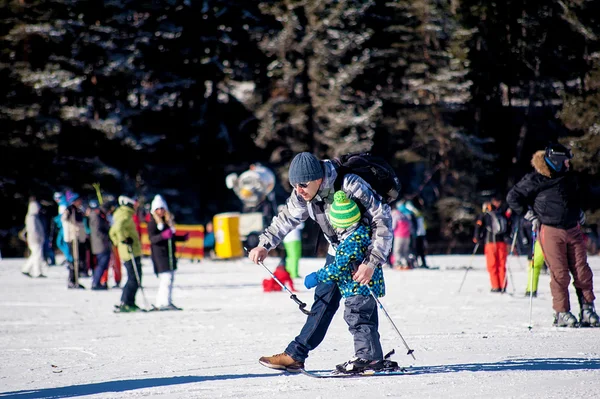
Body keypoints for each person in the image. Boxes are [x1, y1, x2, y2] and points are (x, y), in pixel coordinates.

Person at [248, 151, 392, 372]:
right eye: (294, 185)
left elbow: (382, 219)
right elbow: (287, 217)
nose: (299, 190)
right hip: (338, 252)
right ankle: (296, 355)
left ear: (318, 179)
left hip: (361, 253)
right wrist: (264, 244)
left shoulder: (350, 184)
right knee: (323, 302)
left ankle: (369, 357)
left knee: (359, 306)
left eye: (303, 184)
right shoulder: (302, 193)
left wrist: (371, 262)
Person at [506, 143, 599, 327]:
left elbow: (581, 196)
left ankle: (588, 309)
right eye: (565, 161)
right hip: (550, 231)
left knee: (582, 271)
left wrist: (579, 211)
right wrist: (529, 215)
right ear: (556, 160)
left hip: (573, 229)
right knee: (560, 273)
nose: (568, 164)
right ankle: (561, 312)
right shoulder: (536, 179)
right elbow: (513, 197)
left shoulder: (570, 178)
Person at [304, 191, 394, 373]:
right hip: (366, 289)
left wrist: (316, 277)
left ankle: (365, 356)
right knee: (366, 322)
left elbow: (337, 268)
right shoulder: (363, 233)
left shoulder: (349, 243)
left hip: (356, 290)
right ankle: (373, 356)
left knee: (357, 320)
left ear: (339, 223)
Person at [147, 194, 188, 310]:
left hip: (169, 254)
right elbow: (152, 239)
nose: (160, 211)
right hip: (160, 255)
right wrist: (163, 236)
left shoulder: (167, 222)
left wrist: (181, 238)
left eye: (162, 208)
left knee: (169, 278)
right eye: (157, 209)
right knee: (166, 278)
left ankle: (164, 301)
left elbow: (171, 238)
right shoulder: (152, 223)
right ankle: (163, 302)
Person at [109, 196, 143, 312]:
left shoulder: (121, 213)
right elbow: (117, 228)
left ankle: (127, 301)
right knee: (134, 278)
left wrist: (118, 242)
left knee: (133, 278)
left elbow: (112, 232)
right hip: (130, 251)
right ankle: (127, 302)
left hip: (128, 250)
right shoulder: (125, 214)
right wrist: (124, 239)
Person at [473, 200, 509, 292]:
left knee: (492, 265)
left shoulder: (485, 215)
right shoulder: (501, 213)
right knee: (502, 265)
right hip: (502, 243)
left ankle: (495, 286)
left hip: (490, 243)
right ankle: (503, 285)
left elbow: (478, 227)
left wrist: (477, 238)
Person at [62, 191, 87, 289]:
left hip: (78, 238)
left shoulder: (78, 210)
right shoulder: (69, 210)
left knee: (79, 259)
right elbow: (65, 219)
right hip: (72, 238)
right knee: (74, 260)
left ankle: (76, 279)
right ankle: (72, 280)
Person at [87, 200, 112, 290]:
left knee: (103, 265)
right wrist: (108, 237)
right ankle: (96, 282)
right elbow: (97, 231)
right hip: (100, 245)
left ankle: (97, 281)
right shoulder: (96, 216)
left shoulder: (100, 216)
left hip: (101, 244)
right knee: (101, 264)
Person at [21, 198, 47, 278]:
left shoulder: (34, 217)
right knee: (37, 256)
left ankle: (26, 269)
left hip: (36, 239)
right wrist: (39, 238)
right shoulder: (31, 217)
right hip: (35, 239)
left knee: (35, 255)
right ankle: (37, 272)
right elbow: (33, 230)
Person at [391, 201, 414, 269]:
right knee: (405, 251)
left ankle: (398, 264)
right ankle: (407, 263)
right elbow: (411, 226)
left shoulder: (396, 215)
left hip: (399, 235)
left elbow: (393, 226)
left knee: (397, 251)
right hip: (407, 236)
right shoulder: (407, 215)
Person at [405, 200, 428, 268]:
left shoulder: (417, 212)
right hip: (417, 234)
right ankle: (416, 263)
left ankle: (421, 263)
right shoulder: (416, 212)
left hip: (419, 234)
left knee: (419, 250)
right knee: (417, 250)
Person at [282, 210, 304, 278]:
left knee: (290, 257)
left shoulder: (283, 218)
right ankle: (294, 273)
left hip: (287, 239)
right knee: (295, 257)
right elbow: (301, 226)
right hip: (294, 239)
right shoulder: (294, 217)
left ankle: (289, 272)